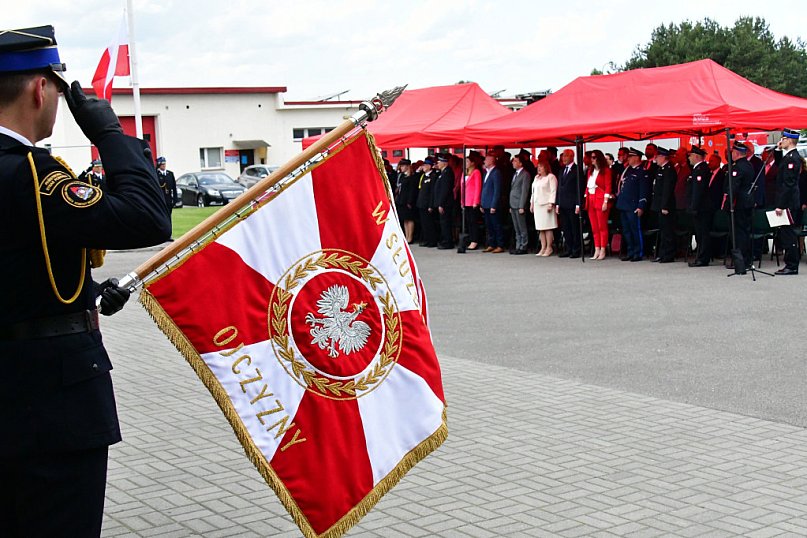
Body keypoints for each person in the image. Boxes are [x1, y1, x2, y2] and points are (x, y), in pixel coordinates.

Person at [0, 25, 171, 537]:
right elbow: (146, 218)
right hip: (44, 406)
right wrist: (110, 134)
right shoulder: (31, 172)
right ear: (40, 89)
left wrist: (87, 294)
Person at [772, 128, 803, 275]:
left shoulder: (793, 158)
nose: (781, 141)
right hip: (786, 201)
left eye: (783, 139)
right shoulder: (788, 156)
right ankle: (790, 263)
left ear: (790, 140)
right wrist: (777, 150)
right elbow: (779, 164)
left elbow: (788, 184)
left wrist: (781, 205)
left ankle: (791, 264)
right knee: (785, 232)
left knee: (788, 233)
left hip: (789, 202)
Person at [724, 141, 755, 271]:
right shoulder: (749, 165)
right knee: (745, 232)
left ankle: (740, 261)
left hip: (740, 204)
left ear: (737, 153)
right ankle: (746, 260)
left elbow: (734, 187)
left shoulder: (738, 167)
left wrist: (728, 203)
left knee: (739, 233)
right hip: (748, 203)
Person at [615, 147, 649, 262]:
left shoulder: (642, 172)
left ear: (636, 158)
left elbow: (643, 190)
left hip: (633, 205)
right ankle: (630, 251)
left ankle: (638, 252)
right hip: (624, 204)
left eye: (630, 157)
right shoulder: (628, 170)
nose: (628, 159)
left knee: (635, 229)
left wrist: (641, 206)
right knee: (626, 230)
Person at [686, 146, 714, 267]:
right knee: (699, 233)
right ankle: (701, 256)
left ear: (696, 157)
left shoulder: (701, 170)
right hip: (700, 207)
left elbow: (698, 191)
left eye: (690, 155)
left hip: (702, 208)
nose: (689, 158)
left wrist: (694, 207)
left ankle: (703, 258)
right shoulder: (697, 169)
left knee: (703, 233)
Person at [584, 149, 613, 260]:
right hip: (591, 198)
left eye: (594, 157)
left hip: (600, 199)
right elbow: (587, 186)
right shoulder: (590, 171)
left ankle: (603, 249)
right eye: (591, 157)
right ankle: (596, 248)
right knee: (594, 227)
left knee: (602, 226)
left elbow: (608, 186)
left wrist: (605, 201)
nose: (592, 160)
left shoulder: (606, 170)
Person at [650, 147, 677, 263]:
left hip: (666, 206)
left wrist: (664, 206)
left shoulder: (669, 170)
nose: (655, 159)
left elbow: (667, 190)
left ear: (662, 157)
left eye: (657, 156)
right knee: (662, 230)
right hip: (659, 204)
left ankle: (668, 254)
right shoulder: (660, 169)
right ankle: (662, 253)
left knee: (667, 231)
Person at [556, 149, 583, 258]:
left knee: (574, 227)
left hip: (572, 203)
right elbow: (559, 188)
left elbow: (579, 188)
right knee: (566, 228)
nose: (564, 158)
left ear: (572, 156)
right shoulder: (562, 170)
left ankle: (576, 249)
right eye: (563, 156)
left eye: (566, 156)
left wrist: (578, 204)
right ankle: (568, 247)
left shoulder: (577, 170)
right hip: (563, 203)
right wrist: (557, 203)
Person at [530, 159, 558, 256]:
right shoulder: (536, 178)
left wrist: (551, 203)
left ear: (546, 167)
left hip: (546, 204)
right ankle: (543, 247)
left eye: (541, 167)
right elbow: (533, 192)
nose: (539, 169)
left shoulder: (551, 177)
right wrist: (531, 203)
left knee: (548, 227)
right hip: (538, 205)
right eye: (538, 167)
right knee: (540, 227)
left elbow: (553, 191)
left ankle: (549, 247)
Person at [480, 153, 504, 253]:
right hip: (486, 203)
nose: (484, 161)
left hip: (492, 204)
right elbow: (484, 189)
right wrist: (482, 203)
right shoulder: (486, 172)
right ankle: (491, 243)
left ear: (491, 161)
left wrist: (494, 205)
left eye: (486, 160)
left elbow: (497, 190)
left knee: (496, 225)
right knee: (489, 225)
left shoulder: (496, 173)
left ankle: (500, 244)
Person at [509, 154, 531, 255]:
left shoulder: (525, 174)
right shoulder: (515, 174)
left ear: (520, 163)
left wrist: (522, 205)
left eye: (515, 161)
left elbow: (524, 191)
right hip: (513, 203)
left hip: (519, 204)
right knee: (516, 226)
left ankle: (524, 245)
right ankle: (518, 245)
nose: (513, 162)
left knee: (522, 226)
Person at [434, 154, 455, 249]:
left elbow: (445, 190)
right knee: (443, 223)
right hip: (442, 202)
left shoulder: (447, 173)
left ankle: (448, 242)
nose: (438, 164)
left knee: (446, 223)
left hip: (446, 203)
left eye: (439, 162)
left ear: (444, 163)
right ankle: (444, 240)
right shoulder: (442, 172)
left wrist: (441, 203)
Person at [462, 151, 483, 250]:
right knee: (468, 221)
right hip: (465, 200)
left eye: (467, 162)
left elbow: (478, 187)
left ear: (472, 163)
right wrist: (462, 201)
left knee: (473, 221)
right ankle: (470, 239)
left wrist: (476, 201)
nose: (465, 164)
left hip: (472, 201)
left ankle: (475, 240)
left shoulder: (476, 172)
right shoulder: (464, 173)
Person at [394, 158, 417, 243]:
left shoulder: (412, 177)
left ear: (408, 166)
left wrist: (409, 201)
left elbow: (412, 190)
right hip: (401, 200)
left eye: (403, 166)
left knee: (409, 219)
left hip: (407, 201)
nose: (401, 167)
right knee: (405, 219)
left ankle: (410, 237)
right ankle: (406, 236)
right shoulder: (403, 176)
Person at [415, 157, 437, 247]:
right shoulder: (423, 176)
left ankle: (432, 240)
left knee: (429, 223)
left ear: (429, 166)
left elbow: (432, 192)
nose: (423, 167)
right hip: (421, 203)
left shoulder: (433, 176)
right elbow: (417, 184)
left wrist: (431, 205)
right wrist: (417, 172)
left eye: (424, 165)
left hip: (428, 203)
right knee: (424, 223)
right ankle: (426, 239)